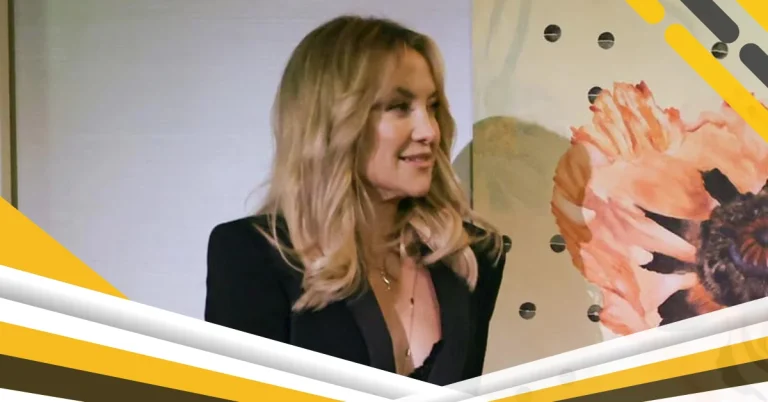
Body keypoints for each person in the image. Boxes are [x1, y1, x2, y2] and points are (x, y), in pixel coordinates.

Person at [204, 14, 510, 385]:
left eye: (432, 106)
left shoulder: (472, 257)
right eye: (399, 107)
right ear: (334, 122)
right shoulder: (253, 255)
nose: (429, 130)